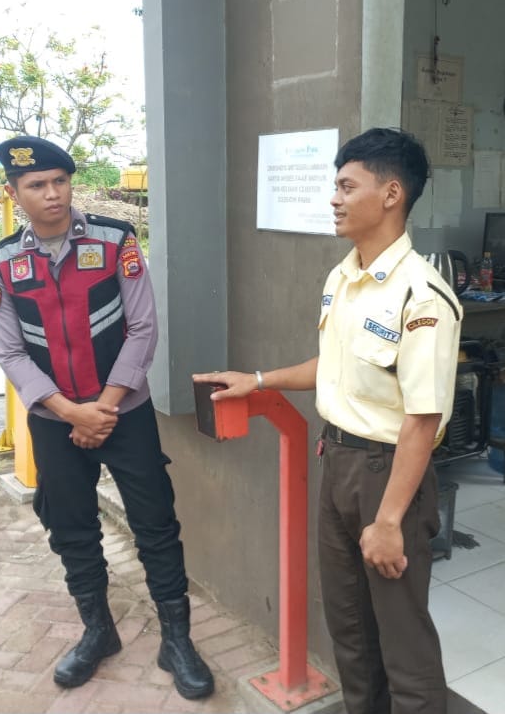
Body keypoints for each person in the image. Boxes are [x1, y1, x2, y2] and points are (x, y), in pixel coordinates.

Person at [194, 128, 461, 714]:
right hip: (336, 461)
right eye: (334, 187)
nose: (334, 199)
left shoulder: (423, 295)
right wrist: (259, 379)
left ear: (391, 194)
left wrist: (388, 520)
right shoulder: (342, 277)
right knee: (350, 630)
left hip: (387, 475)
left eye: (346, 186)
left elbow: (423, 419)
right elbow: (333, 366)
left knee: (403, 642)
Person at [0, 135, 214, 699]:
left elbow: (143, 328)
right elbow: (9, 351)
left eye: (60, 181)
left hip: (125, 414)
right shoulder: (4, 261)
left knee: (156, 525)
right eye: (37, 185)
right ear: (14, 194)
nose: (52, 193)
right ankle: (98, 631)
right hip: (55, 421)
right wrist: (70, 413)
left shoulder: (115, 241)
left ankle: (177, 640)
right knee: (71, 528)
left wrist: (103, 409)